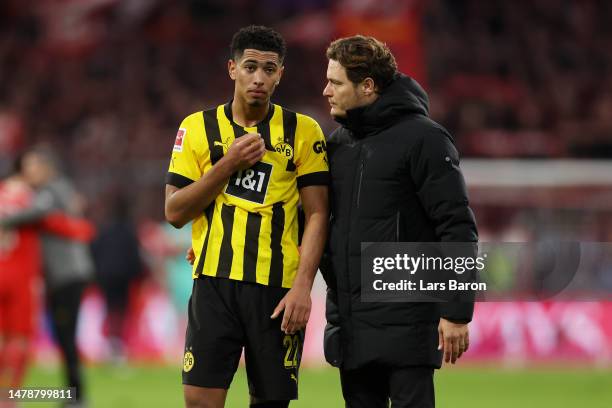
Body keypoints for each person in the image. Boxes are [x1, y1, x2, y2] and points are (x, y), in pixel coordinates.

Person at [164, 25, 329, 408]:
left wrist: (303, 287)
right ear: (232, 69)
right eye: (250, 66)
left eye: (269, 69)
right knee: (200, 401)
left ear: (280, 74)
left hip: (276, 290)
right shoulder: (197, 128)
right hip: (214, 284)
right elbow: (174, 212)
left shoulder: (303, 132)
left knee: (270, 403)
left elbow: (319, 213)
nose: (259, 78)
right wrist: (228, 164)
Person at [321, 35, 479, 407]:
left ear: (368, 86)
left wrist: (456, 312)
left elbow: (457, 227)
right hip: (351, 326)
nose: (326, 90)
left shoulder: (426, 139)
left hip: (407, 325)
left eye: (336, 82)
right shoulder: (338, 144)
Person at [0, 148, 95, 407]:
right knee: (62, 336)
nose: (29, 173)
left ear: (45, 168)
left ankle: (77, 396)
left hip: (67, 275)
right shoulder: (51, 192)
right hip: (59, 275)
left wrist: (6, 218)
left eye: (33, 167)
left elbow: (37, 214)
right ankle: (71, 394)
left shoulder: (51, 189)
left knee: (65, 335)